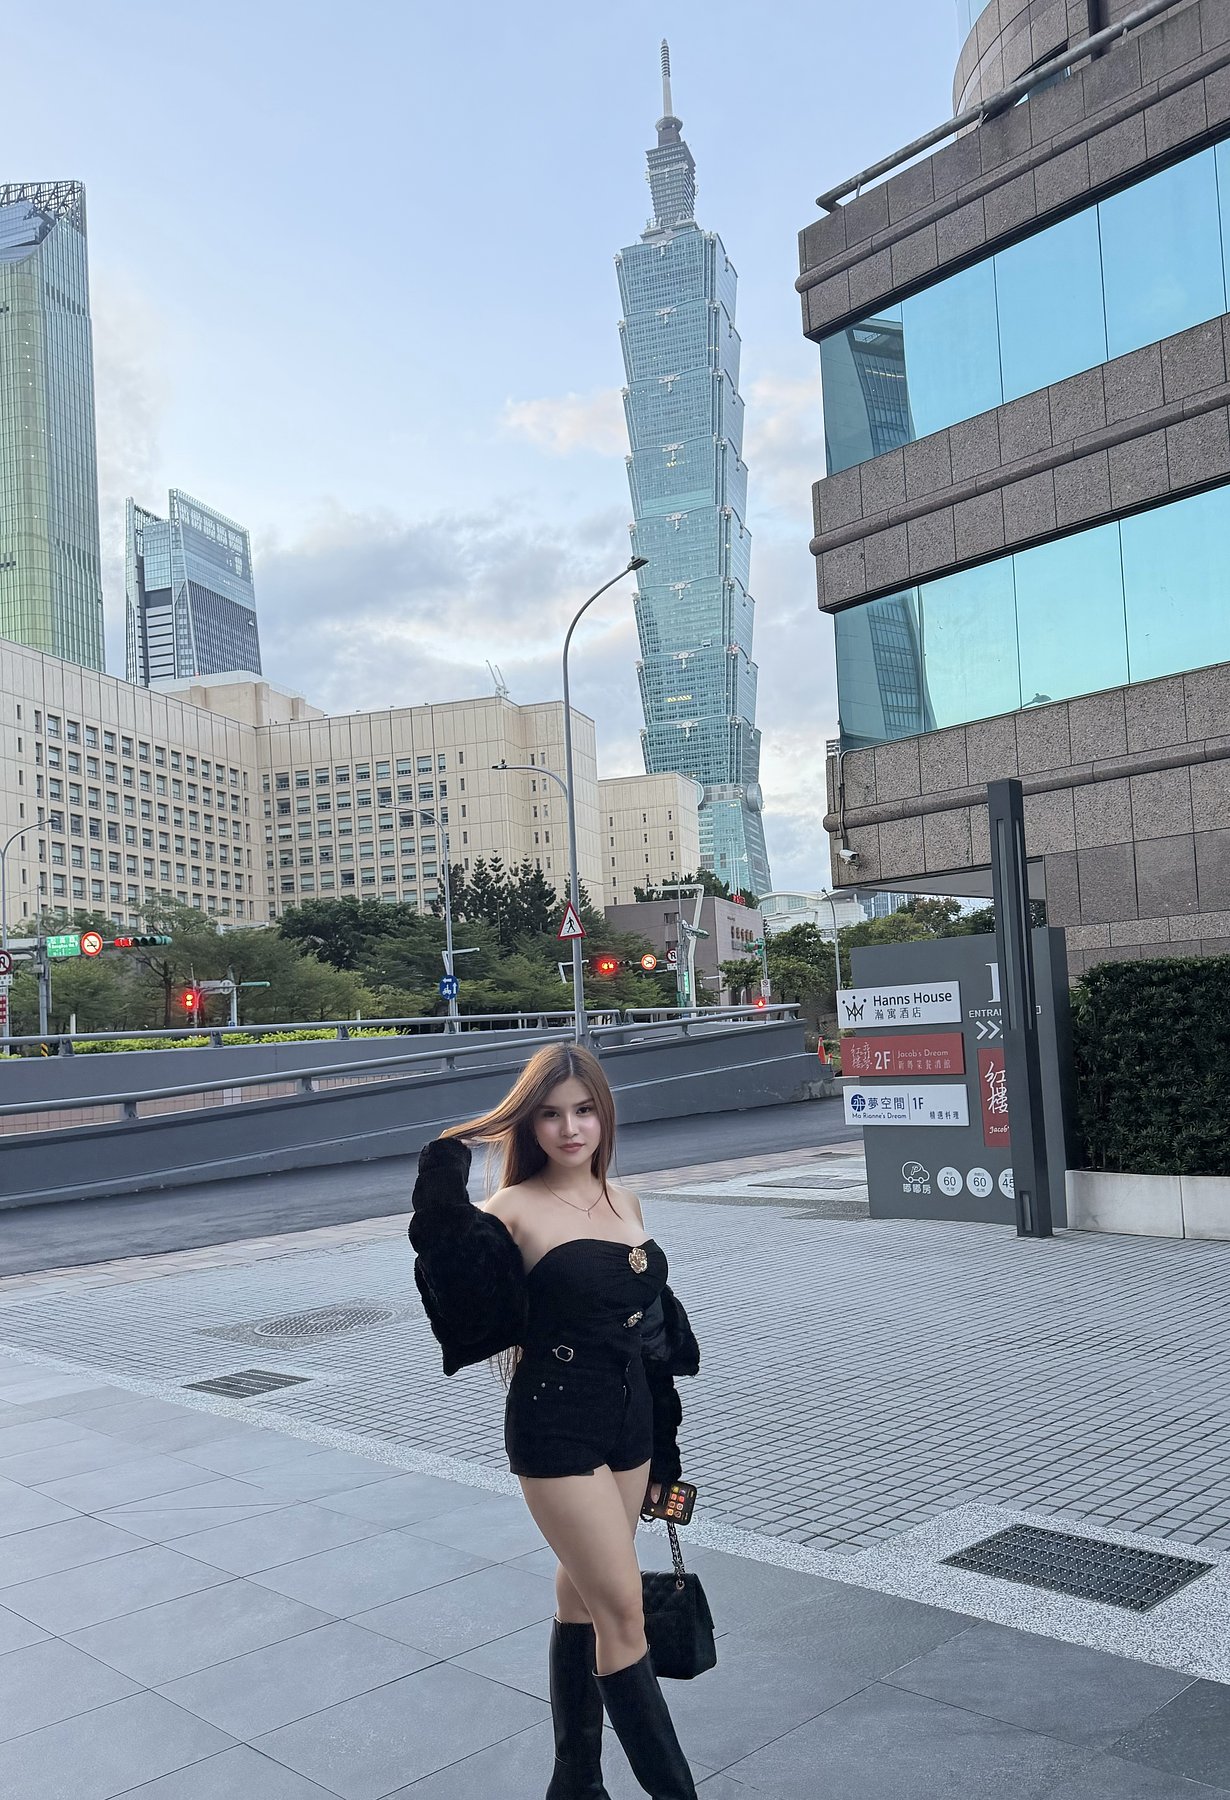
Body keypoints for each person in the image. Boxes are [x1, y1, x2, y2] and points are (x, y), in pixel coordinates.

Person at [408, 1041, 701, 1800]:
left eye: (584, 1111)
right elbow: (458, 1298)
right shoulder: (510, 1210)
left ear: (605, 1116)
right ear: (527, 1124)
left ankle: (575, 1781)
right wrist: (442, 1171)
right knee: (623, 1613)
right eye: (550, 1115)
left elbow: (650, 1335)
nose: (570, 1129)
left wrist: (665, 1451)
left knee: (581, 1597)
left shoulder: (625, 1200)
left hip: (631, 1420)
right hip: (555, 1422)